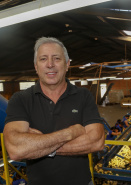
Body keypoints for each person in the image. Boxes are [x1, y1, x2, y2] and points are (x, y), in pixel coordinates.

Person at [3, 37, 105, 185]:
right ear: (36, 66)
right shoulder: (20, 99)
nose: (50, 65)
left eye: (56, 58)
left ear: (67, 64)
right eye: (43, 59)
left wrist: (41, 146)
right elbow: (15, 149)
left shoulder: (84, 95)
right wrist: (70, 133)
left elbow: (97, 141)